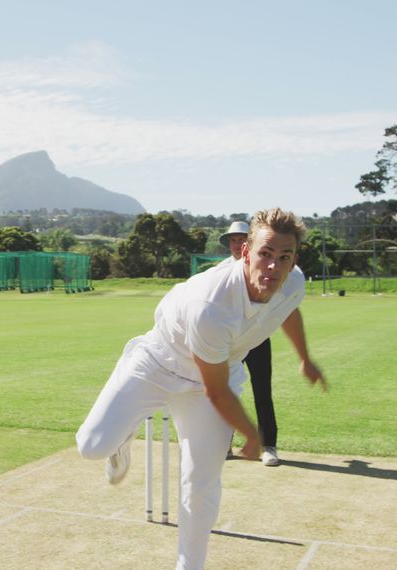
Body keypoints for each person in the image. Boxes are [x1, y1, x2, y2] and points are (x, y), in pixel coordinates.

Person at [76, 209, 328, 569]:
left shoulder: (293, 281)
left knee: (201, 482)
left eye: (284, 257)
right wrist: (251, 434)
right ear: (245, 252)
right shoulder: (210, 306)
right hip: (157, 363)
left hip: (211, 379)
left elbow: (287, 310)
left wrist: (305, 358)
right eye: (265, 254)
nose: (273, 266)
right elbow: (218, 392)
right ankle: (120, 439)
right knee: (91, 446)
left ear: (294, 260)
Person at [217, 221, 280, 466]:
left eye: (241, 239)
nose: (236, 244)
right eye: (232, 239)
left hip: (258, 338)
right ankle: (225, 443)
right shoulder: (220, 270)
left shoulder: (264, 268)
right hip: (230, 341)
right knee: (227, 390)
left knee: (262, 391)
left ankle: (268, 446)